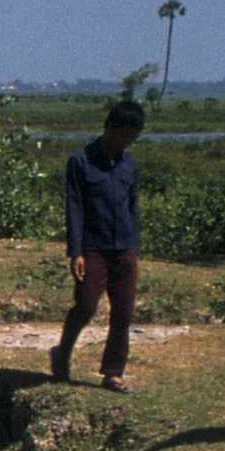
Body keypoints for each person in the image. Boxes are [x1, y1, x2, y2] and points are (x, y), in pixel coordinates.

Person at [51, 100, 144, 390]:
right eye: (124, 135)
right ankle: (62, 353)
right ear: (109, 129)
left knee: (124, 311)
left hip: (125, 247)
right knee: (87, 305)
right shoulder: (80, 161)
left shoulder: (130, 164)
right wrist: (75, 251)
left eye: (133, 137)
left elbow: (133, 206)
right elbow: (74, 207)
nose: (127, 143)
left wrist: (136, 248)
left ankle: (113, 372)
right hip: (93, 247)